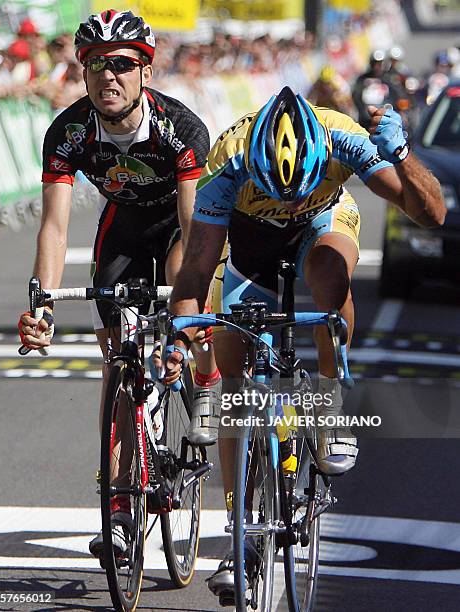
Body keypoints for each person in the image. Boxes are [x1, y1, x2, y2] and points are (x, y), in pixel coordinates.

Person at [164, 86, 446, 601]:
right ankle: (240, 532)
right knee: (234, 378)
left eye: (297, 187)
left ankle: (331, 400)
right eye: (278, 189)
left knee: (328, 281)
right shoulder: (227, 162)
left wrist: (404, 156)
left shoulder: (345, 139)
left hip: (323, 225)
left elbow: (431, 216)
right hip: (250, 239)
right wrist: (180, 341)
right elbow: (197, 271)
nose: (289, 200)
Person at [17, 9, 220, 561]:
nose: (110, 76)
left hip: (179, 228)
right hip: (123, 231)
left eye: (124, 65)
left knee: (189, 300)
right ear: (82, 73)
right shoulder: (69, 131)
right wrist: (42, 306)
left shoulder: (181, 128)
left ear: (145, 73)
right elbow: (54, 229)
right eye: (96, 65)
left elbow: (192, 230)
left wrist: (185, 323)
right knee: (119, 366)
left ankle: (203, 375)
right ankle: (120, 506)